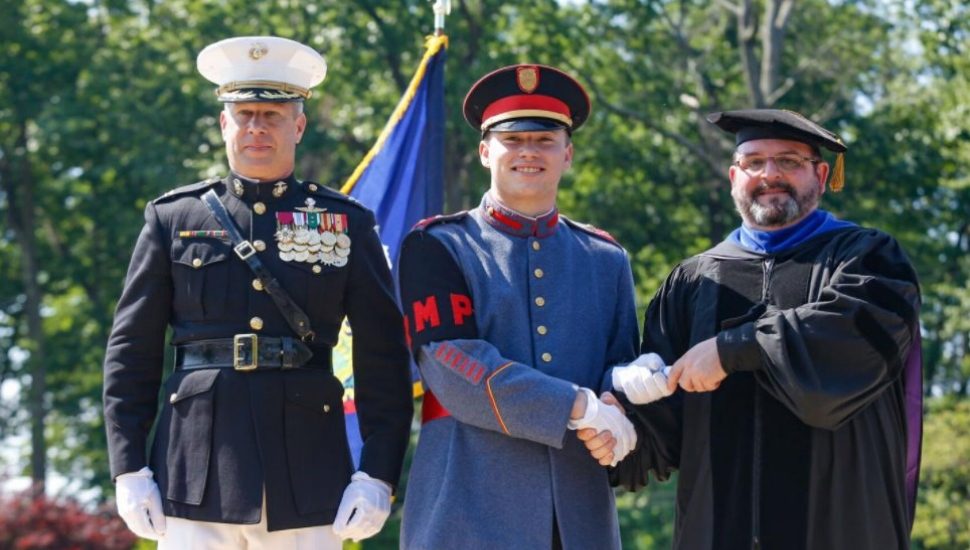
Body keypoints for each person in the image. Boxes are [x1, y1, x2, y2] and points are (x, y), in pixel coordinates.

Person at [102, 36, 413, 548]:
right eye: (244, 113)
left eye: (272, 114)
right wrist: (129, 466)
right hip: (193, 468)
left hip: (309, 471)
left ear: (299, 125)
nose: (257, 127)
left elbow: (383, 357)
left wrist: (378, 473)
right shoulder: (174, 219)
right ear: (224, 124)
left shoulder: (346, 223)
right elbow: (130, 352)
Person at [593, 109, 923, 549]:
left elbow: (849, 350)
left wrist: (734, 349)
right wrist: (618, 431)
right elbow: (663, 428)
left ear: (821, 175)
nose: (770, 175)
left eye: (789, 161)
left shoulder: (868, 260)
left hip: (841, 530)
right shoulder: (691, 284)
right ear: (734, 176)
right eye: (754, 162)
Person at [395, 64, 640, 550]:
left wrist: (621, 407)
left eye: (545, 139)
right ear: (486, 151)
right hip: (465, 508)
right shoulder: (438, 246)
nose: (529, 151)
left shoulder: (606, 258)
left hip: (578, 515)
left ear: (567, 154)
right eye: (513, 139)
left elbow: (619, 370)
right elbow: (453, 368)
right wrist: (576, 403)